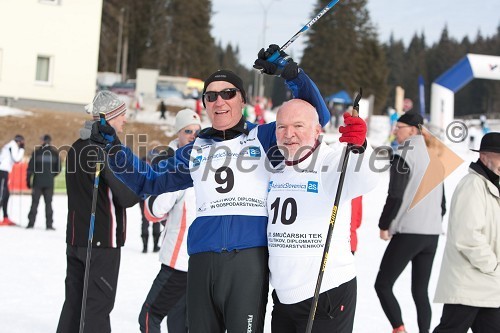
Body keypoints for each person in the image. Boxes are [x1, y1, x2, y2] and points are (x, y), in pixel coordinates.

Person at [90, 45, 330, 332]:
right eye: (211, 95)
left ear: (242, 100)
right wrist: (114, 147)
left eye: (228, 93)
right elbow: (149, 181)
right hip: (202, 262)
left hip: (248, 261)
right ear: (204, 104)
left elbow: (314, 116)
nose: (220, 101)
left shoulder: (264, 137)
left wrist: (291, 72)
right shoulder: (194, 150)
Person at [266, 99, 378, 332]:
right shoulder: (276, 168)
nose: (289, 134)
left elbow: (364, 178)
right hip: (284, 296)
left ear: (317, 130)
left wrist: (359, 148)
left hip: (325, 293)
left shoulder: (328, 161)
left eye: (298, 126)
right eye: (281, 127)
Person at [57, 91, 140, 333]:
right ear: (110, 117)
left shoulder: (75, 147)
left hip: (76, 241)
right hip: (102, 243)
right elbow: (129, 196)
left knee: (74, 306)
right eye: (123, 114)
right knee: (96, 309)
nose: (125, 119)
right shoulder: (109, 150)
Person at [374, 112, 446, 333]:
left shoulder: (403, 154)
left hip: (409, 232)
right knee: (420, 291)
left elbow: (395, 194)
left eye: (400, 127)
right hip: (431, 234)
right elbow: (443, 204)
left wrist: (384, 224)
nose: (396, 131)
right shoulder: (435, 157)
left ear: (413, 130)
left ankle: (399, 328)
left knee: (383, 284)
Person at [138, 108, 201, 333]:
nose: (193, 135)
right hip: (197, 263)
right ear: (178, 135)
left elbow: (154, 210)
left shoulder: (177, 166)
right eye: (188, 131)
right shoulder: (199, 163)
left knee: (148, 316)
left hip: (180, 262)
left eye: (197, 131)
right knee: (179, 323)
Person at [433, 132, 500, 333]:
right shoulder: (472, 186)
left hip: (486, 285)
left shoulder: (490, 186)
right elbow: (468, 236)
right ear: (484, 156)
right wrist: (494, 265)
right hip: (469, 283)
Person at [26, 134, 61, 230]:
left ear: (44, 141)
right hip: (49, 183)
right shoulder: (55, 153)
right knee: (48, 203)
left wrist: (28, 181)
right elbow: (58, 169)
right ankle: (49, 225)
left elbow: (30, 168)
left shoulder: (36, 152)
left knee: (34, 203)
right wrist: (50, 176)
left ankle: (30, 224)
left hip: (37, 182)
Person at [0, 134, 25, 226]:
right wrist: (22, 149)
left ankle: (5, 217)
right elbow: (16, 159)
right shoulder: (13, 146)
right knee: (2, 196)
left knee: (6, 195)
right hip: (2, 171)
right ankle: (5, 217)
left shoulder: (10, 145)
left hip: (4, 171)